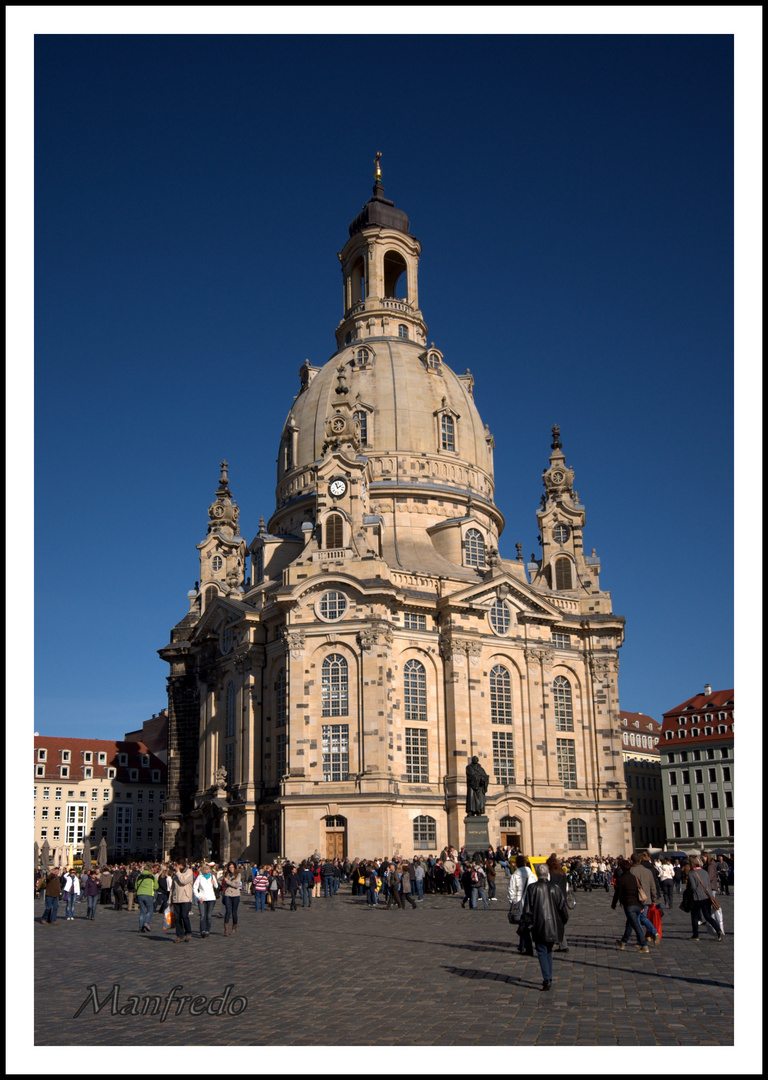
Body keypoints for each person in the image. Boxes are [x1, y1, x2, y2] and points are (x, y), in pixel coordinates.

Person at [517, 864, 569, 991]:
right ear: (547, 874)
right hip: (553, 925)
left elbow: (527, 909)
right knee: (549, 951)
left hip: (539, 925)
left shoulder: (532, 888)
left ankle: (547, 979)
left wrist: (524, 924)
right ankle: (549, 977)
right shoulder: (555, 887)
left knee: (541, 951)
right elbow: (562, 907)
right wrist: (564, 920)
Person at [612, 858, 649, 951]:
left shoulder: (621, 880)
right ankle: (623, 942)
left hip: (629, 905)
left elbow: (618, 893)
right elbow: (638, 891)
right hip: (637, 904)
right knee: (629, 923)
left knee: (636, 925)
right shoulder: (635, 878)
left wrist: (614, 904)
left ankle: (644, 945)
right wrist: (641, 905)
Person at [685, 857, 723, 941]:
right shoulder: (704, 872)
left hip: (697, 898)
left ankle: (695, 935)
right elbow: (708, 884)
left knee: (695, 916)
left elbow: (692, 887)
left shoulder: (692, 873)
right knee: (708, 916)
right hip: (706, 897)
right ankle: (718, 930)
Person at [507, 855, 536, 954]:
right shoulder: (532, 875)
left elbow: (511, 891)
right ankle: (522, 946)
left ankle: (527, 948)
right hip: (530, 903)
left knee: (523, 925)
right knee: (524, 924)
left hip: (519, 903)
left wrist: (513, 903)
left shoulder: (515, 876)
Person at [629, 853, 659, 946]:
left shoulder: (631, 871)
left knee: (637, 920)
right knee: (643, 918)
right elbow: (652, 887)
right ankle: (655, 933)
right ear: (640, 860)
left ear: (632, 861)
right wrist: (654, 899)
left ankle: (640, 940)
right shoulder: (648, 871)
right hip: (646, 899)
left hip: (636, 899)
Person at [546, 855, 570, 953]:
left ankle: (551, 944)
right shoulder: (562, 873)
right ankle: (563, 945)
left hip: (553, 900)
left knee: (551, 922)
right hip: (562, 899)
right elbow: (567, 887)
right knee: (560, 923)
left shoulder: (550, 874)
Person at [170, 860, 194, 943]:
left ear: (180, 865)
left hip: (185, 898)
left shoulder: (189, 872)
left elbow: (183, 881)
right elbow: (172, 887)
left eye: (176, 865)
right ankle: (180, 935)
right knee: (177, 918)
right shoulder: (176, 874)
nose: (174, 867)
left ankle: (188, 932)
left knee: (184, 916)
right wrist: (170, 899)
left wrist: (178, 872)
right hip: (176, 898)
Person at [193, 862, 217, 937]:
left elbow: (216, 887)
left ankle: (207, 930)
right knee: (203, 915)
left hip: (211, 898)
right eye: (206, 869)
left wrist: (214, 883)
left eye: (209, 869)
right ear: (203, 870)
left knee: (208, 916)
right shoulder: (200, 878)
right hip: (202, 899)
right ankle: (202, 930)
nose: (208, 871)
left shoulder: (212, 877)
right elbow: (195, 888)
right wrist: (198, 897)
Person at [134, 862, 158, 934]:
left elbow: (136, 887)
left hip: (140, 894)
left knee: (142, 912)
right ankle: (146, 923)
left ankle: (140, 927)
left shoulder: (139, 876)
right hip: (148, 894)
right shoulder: (152, 876)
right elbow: (156, 887)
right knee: (150, 910)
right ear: (150, 869)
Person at [222, 862, 242, 934]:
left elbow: (236, 885)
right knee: (227, 911)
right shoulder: (226, 874)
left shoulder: (238, 875)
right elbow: (220, 880)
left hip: (236, 895)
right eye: (230, 867)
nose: (231, 869)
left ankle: (234, 928)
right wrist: (223, 883)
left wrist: (228, 881)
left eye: (232, 867)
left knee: (234, 913)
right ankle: (226, 929)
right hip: (228, 894)